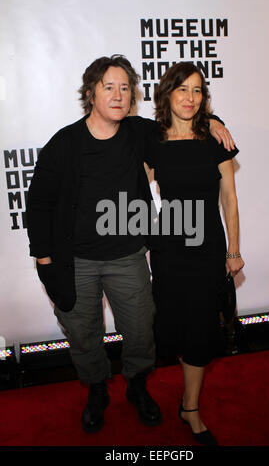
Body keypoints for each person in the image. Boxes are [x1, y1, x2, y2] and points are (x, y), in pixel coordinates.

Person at [26, 55, 235, 435]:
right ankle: (96, 393)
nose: (119, 95)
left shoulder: (140, 133)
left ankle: (137, 388)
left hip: (128, 257)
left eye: (125, 88)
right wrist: (44, 259)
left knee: (141, 332)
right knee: (84, 335)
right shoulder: (64, 144)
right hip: (77, 261)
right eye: (109, 86)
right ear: (90, 92)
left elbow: (183, 124)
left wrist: (215, 121)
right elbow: (38, 202)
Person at [144, 62, 245, 445]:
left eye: (198, 90)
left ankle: (191, 408)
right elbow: (136, 189)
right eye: (182, 89)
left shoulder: (215, 138)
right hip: (169, 250)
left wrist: (234, 251)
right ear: (167, 93)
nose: (190, 98)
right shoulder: (151, 140)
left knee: (202, 329)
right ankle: (157, 397)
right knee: (175, 328)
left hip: (208, 250)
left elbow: (229, 200)